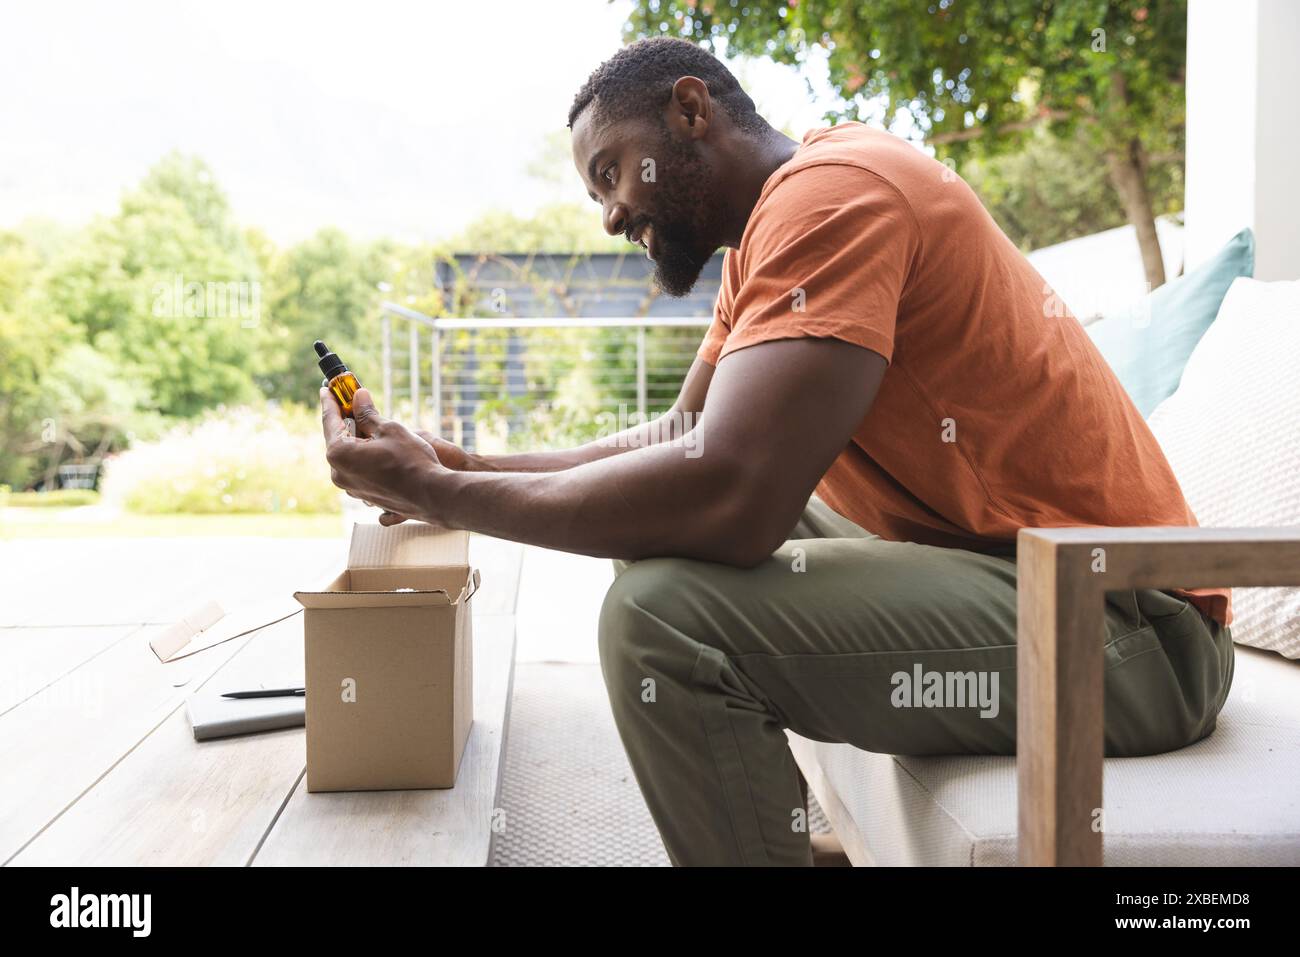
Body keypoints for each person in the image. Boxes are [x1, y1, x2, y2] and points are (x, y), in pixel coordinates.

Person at [320, 36, 1233, 866]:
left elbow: (731, 496)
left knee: (659, 616)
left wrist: (440, 495)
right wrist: (455, 466)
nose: (609, 216)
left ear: (690, 109)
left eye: (611, 174)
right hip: (1028, 577)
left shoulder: (835, 197)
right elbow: (680, 438)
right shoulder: (773, 227)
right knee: (653, 522)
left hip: (1127, 630)